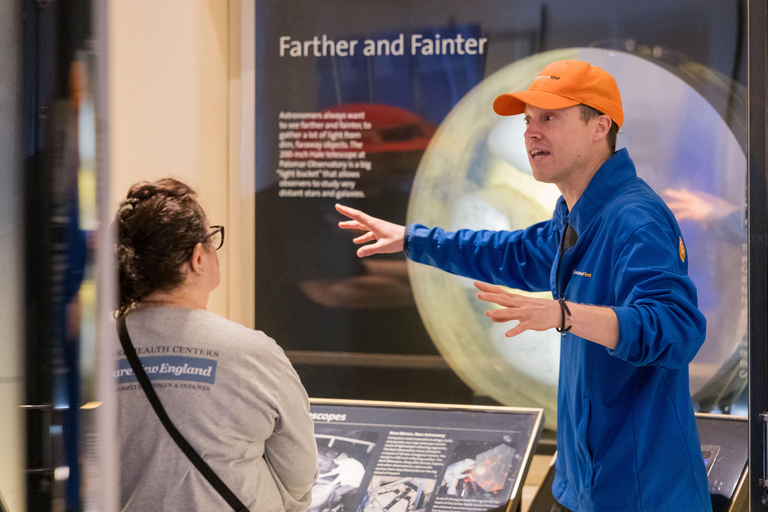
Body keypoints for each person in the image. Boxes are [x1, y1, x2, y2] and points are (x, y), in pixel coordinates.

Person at [336, 60, 712, 512]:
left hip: (640, 495)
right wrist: (412, 239)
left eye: (549, 118)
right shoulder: (575, 214)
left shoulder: (634, 219)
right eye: (527, 120)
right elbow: (511, 252)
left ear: (601, 126)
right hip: (583, 487)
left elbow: (676, 328)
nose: (532, 132)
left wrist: (565, 314)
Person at [114, 178, 317, 511]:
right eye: (211, 239)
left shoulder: (95, 350)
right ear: (198, 258)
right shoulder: (254, 353)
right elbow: (298, 475)